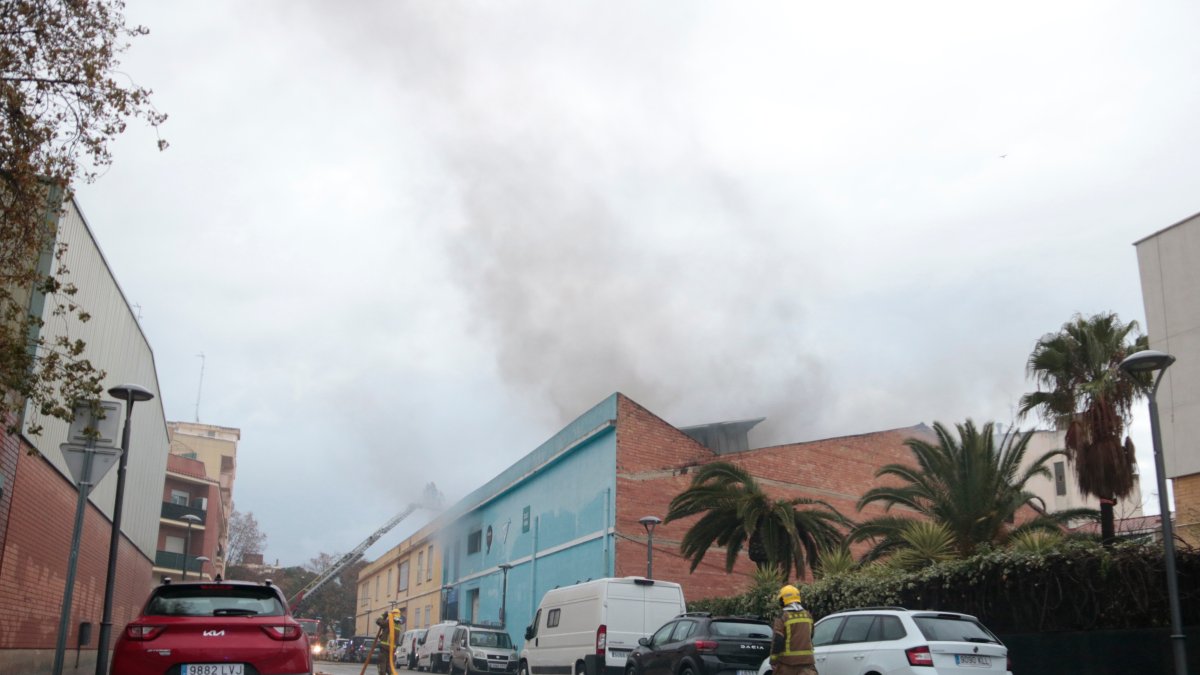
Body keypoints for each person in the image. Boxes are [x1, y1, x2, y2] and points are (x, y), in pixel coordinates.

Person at [769, 584, 817, 675]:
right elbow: (811, 635)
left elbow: (778, 640)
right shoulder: (808, 615)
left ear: (783, 600)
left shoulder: (782, 617)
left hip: (787, 665)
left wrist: (773, 660)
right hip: (807, 664)